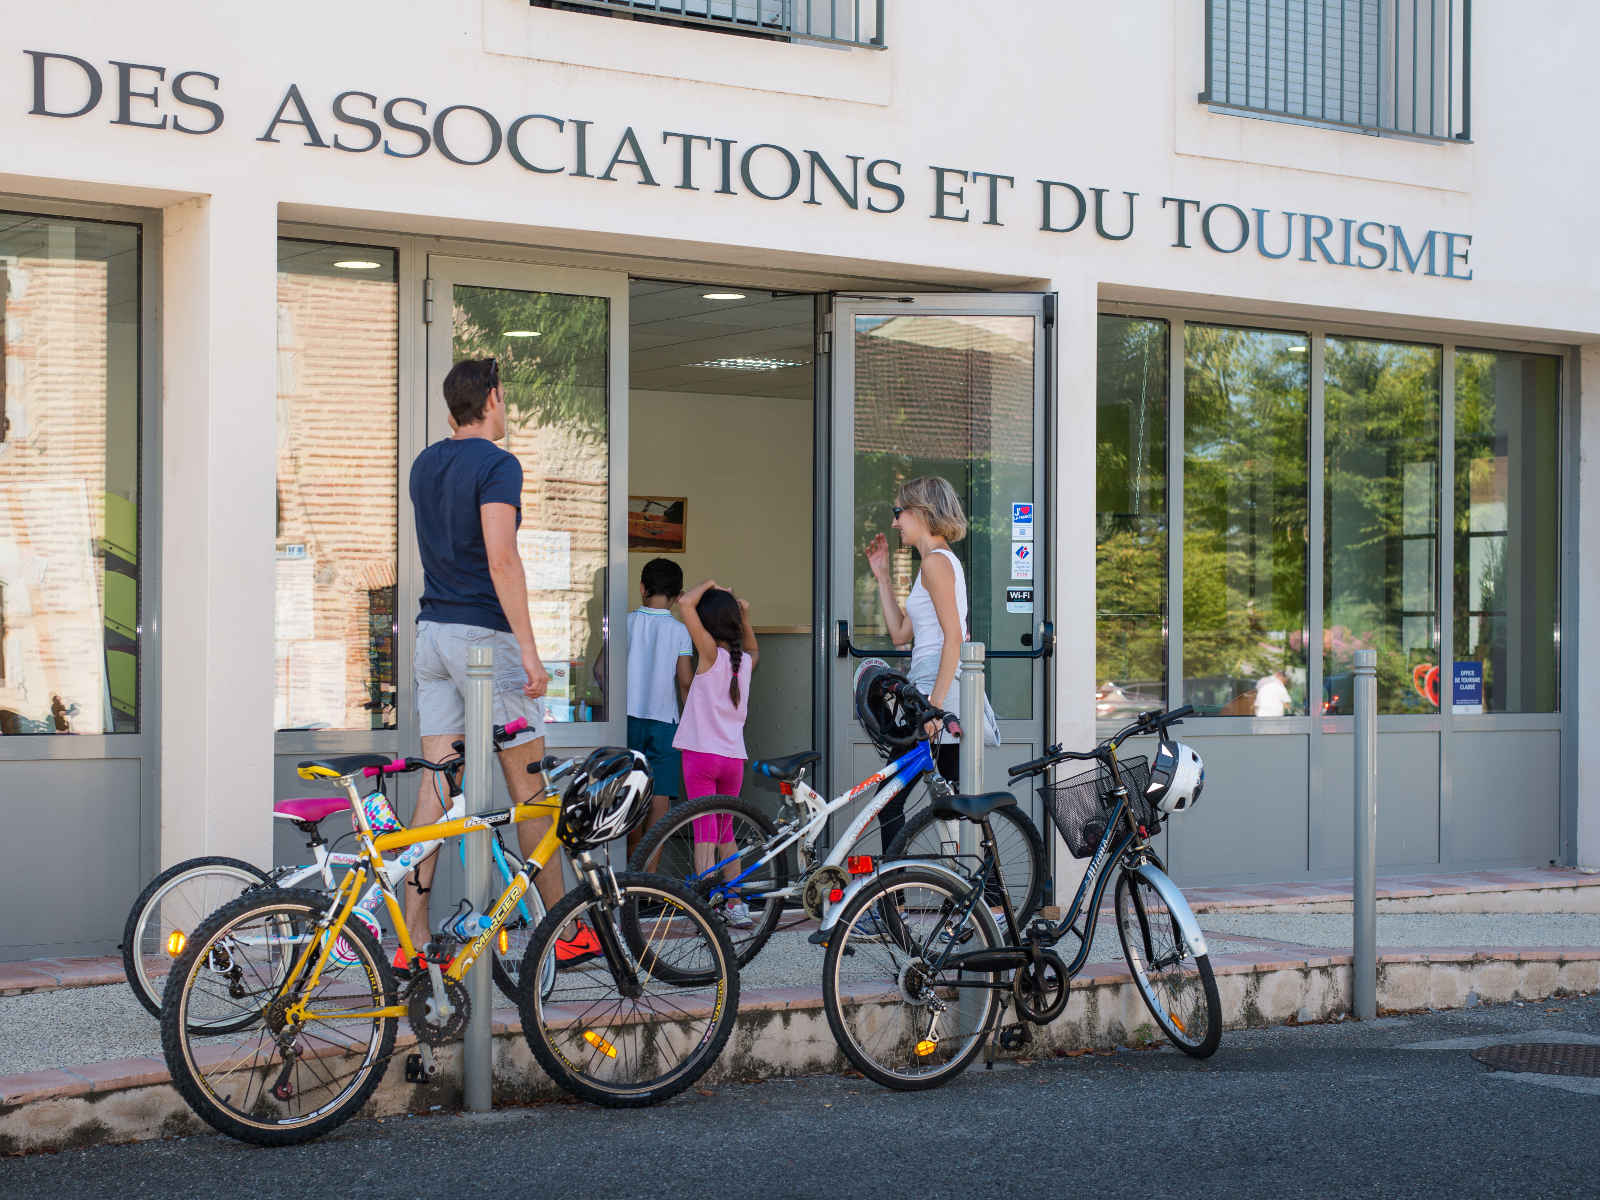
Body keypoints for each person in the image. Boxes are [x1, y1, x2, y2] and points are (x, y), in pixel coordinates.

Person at [405, 357, 588, 970]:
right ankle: (564, 929)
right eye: (504, 399)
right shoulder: (497, 464)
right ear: (492, 397)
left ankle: (412, 933)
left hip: (432, 635)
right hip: (484, 639)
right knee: (531, 785)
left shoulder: (425, 463)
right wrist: (531, 653)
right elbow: (501, 557)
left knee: (437, 777)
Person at [863, 475, 994, 851]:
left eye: (898, 512)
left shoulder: (937, 563)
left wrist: (932, 708)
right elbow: (901, 634)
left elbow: (954, 637)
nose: (894, 522)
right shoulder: (932, 564)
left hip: (939, 692)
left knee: (895, 798)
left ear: (921, 511)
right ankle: (974, 890)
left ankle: (896, 897)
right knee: (949, 798)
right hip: (932, 690)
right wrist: (883, 578)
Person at [672, 579, 759, 929]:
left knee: (704, 831)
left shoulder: (709, 655)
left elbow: (684, 603)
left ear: (707, 626)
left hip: (700, 756)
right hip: (732, 760)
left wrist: (708, 584)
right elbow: (754, 648)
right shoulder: (744, 663)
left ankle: (703, 904)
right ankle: (735, 902)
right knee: (725, 832)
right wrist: (745, 615)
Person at [625, 558, 695, 855]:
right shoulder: (680, 631)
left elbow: (602, 670)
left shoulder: (624, 623)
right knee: (661, 794)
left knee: (628, 790)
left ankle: (629, 859)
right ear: (679, 596)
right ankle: (650, 874)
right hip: (665, 720)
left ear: (642, 588)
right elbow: (684, 681)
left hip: (626, 718)